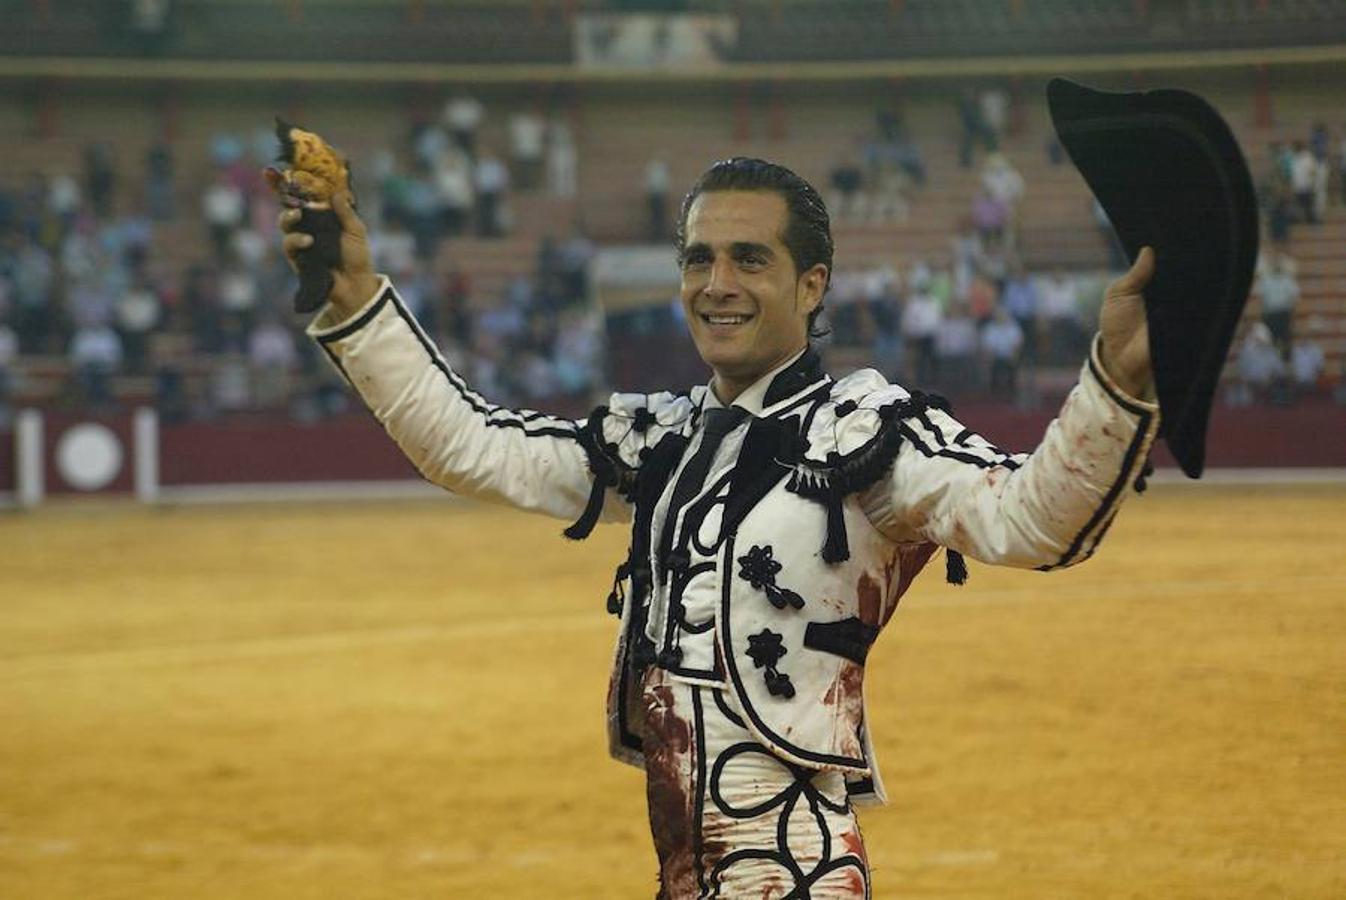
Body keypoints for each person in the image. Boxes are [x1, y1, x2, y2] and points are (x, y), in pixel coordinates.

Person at [280, 157, 1160, 899]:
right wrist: (358, 299)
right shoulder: (663, 438)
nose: (717, 284)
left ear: (812, 285)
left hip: (794, 868)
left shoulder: (868, 435)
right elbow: (469, 446)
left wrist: (1115, 380)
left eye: (750, 259)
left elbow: (1034, 520)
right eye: (699, 260)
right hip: (685, 868)